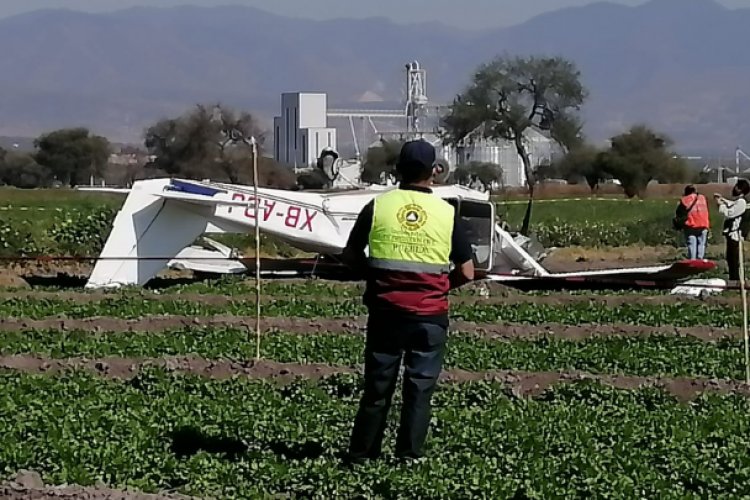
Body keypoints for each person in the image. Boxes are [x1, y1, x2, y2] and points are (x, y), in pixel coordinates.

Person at [341, 139, 475, 462]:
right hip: (430, 317)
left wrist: (376, 278)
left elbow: (349, 256)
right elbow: (468, 272)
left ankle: (361, 456)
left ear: (398, 171)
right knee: (419, 391)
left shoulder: (378, 206)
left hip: (386, 313)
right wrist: (441, 287)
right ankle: (408, 457)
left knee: (377, 388)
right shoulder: (446, 212)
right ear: (434, 173)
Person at [715, 178, 750, 281]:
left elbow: (730, 213)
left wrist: (720, 204)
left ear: (740, 189)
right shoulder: (740, 201)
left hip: (735, 235)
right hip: (732, 234)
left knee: (733, 259)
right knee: (730, 258)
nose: (733, 188)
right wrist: (723, 199)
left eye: (736, 187)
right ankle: (733, 278)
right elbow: (732, 204)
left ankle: (735, 280)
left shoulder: (742, 202)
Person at [675, 185, 710, 260]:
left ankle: (692, 261)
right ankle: (700, 261)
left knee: (692, 244)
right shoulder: (702, 198)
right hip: (704, 224)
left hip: (691, 225)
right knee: (701, 244)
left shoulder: (685, 200)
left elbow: (679, 213)